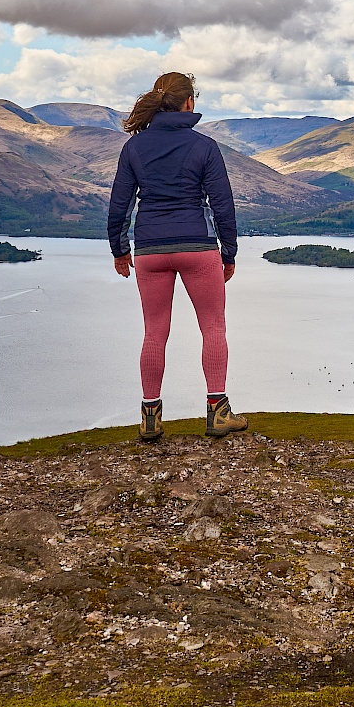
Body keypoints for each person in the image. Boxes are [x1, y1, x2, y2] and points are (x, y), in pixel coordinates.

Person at [107, 72, 248, 441]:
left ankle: (150, 419)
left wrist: (120, 250)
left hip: (151, 249)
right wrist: (228, 253)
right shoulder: (204, 147)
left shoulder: (134, 148)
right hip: (198, 247)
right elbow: (222, 204)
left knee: (154, 332)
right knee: (213, 327)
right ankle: (218, 413)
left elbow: (120, 204)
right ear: (189, 103)